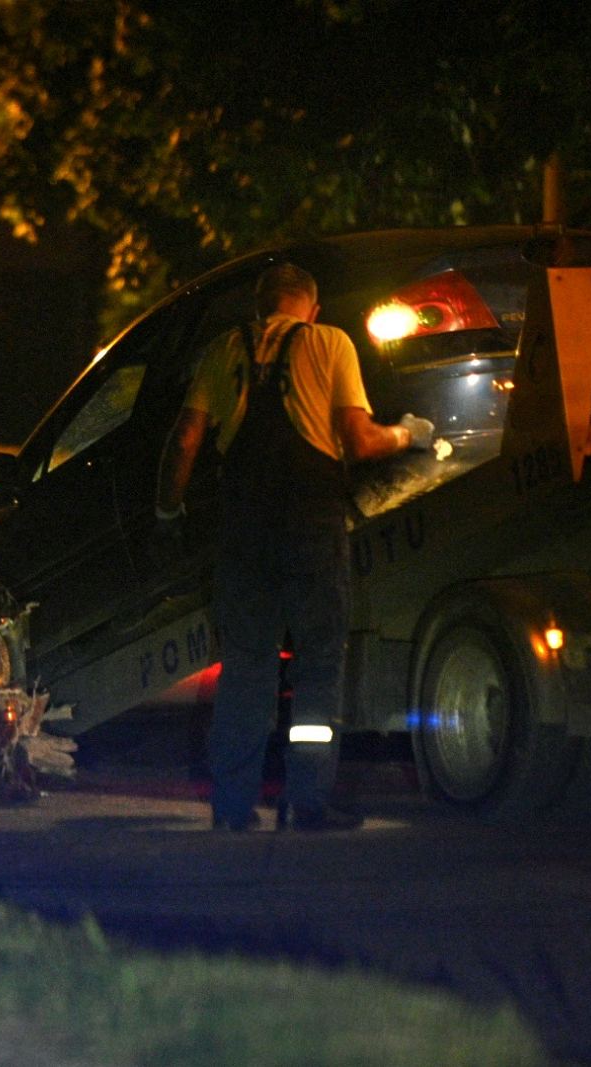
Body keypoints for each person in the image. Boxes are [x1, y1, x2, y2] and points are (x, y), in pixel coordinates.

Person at [154, 262, 433, 831]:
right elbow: (357, 440)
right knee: (318, 669)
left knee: (247, 670)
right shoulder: (329, 342)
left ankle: (232, 807)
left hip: (244, 529)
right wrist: (411, 434)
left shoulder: (223, 348)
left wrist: (168, 510)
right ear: (312, 306)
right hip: (310, 524)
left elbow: (184, 438)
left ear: (260, 307)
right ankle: (307, 801)